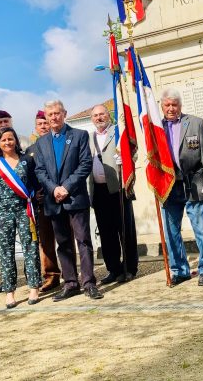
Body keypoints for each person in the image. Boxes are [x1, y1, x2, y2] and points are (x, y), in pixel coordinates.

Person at [33, 99, 103, 301]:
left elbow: (85, 164)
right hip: (53, 199)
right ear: (46, 117)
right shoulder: (41, 143)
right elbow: (39, 170)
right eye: (50, 114)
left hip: (75, 197)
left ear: (64, 113)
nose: (54, 117)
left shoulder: (79, 136)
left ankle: (89, 283)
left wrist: (66, 187)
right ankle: (71, 283)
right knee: (63, 244)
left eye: (57, 113)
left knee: (83, 241)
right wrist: (54, 189)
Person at [160, 88, 203, 287]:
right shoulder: (155, 128)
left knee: (201, 229)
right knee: (171, 232)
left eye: (174, 105)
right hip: (169, 185)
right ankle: (180, 270)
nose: (171, 108)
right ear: (161, 106)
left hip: (194, 180)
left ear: (180, 106)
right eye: (167, 105)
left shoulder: (195, 122)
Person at [0, 127, 41, 308]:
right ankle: (9, 292)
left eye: (10, 139)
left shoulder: (27, 160)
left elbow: (34, 184)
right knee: (6, 251)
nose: (7, 142)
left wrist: (35, 196)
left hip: (25, 210)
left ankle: (34, 287)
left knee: (30, 247)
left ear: (16, 141)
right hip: (2, 213)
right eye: (3, 140)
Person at [89, 104, 139, 284]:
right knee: (106, 233)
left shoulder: (118, 132)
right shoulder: (90, 138)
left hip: (119, 189)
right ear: (92, 119)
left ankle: (129, 268)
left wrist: (126, 159)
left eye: (102, 114)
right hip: (99, 191)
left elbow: (133, 152)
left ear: (108, 115)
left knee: (125, 231)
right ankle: (113, 269)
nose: (99, 118)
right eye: (95, 115)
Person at [0, 109, 30, 294]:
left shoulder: (25, 141)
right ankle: (7, 281)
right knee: (5, 246)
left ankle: (32, 276)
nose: (3, 124)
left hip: (24, 201)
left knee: (29, 244)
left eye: (6, 121)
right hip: (2, 203)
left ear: (11, 121)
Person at [26, 110, 61, 293]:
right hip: (42, 202)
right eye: (40, 124)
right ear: (35, 128)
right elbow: (28, 176)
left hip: (61, 198)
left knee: (65, 239)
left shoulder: (59, 143)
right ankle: (51, 276)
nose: (43, 126)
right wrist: (33, 194)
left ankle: (70, 274)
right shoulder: (30, 151)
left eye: (46, 123)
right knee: (45, 242)